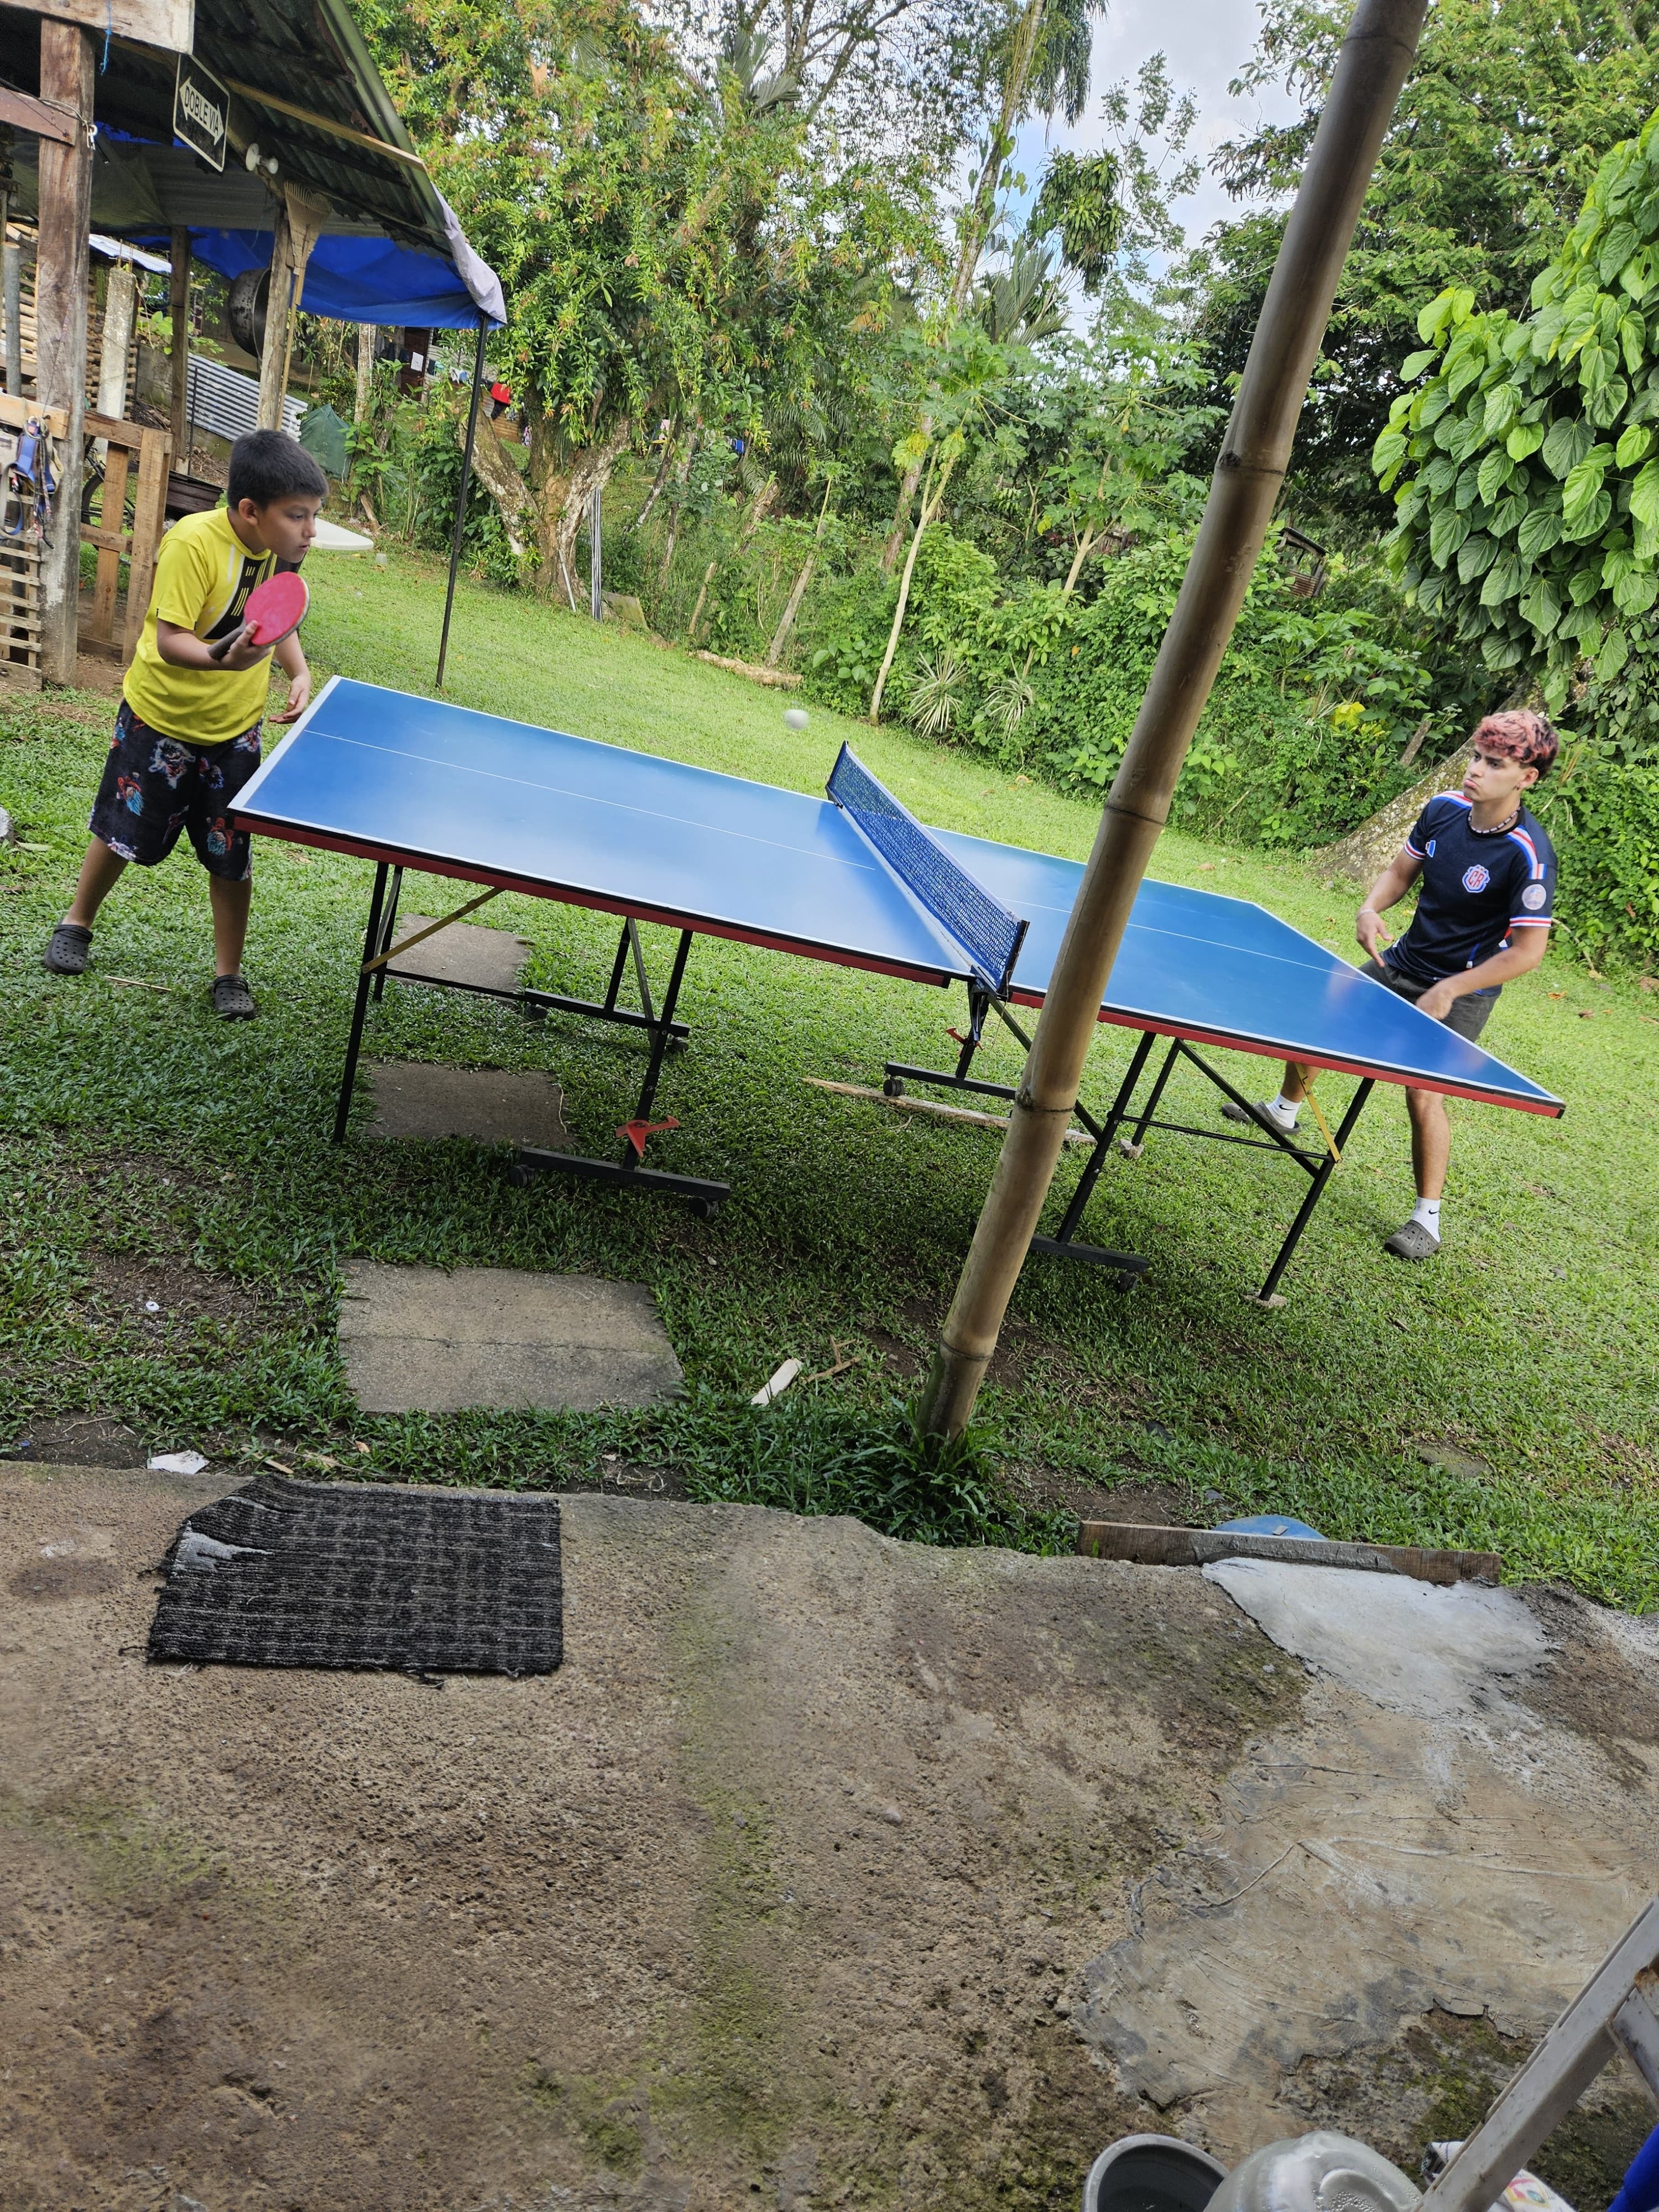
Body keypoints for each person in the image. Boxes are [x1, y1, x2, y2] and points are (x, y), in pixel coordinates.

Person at [1223, 709, 1559, 1260]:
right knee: (1320, 1022)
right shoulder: (1444, 810)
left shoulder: (1528, 853)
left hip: (1463, 989)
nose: (1475, 769)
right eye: (1476, 756)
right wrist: (1370, 907)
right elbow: (1401, 872)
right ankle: (1284, 1112)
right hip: (1403, 960)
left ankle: (1427, 1219)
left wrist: (1452, 989)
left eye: (1494, 763)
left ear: (1527, 778)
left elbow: (1528, 952)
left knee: (1422, 1090)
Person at [41, 429, 325, 1019]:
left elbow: (277, 618)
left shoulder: (277, 551)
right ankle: (77, 921)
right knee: (121, 828)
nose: (310, 531)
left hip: (235, 731)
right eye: (298, 516)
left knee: (231, 853)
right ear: (251, 511)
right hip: (161, 720)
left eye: (313, 516)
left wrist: (296, 672)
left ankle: (228, 975)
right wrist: (225, 657)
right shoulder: (192, 544)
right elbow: (172, 641)